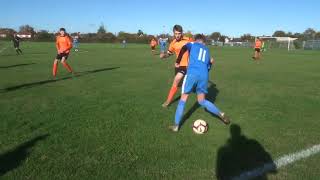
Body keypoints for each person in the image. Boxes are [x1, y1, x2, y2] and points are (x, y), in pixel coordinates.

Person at [169, 34, 230, 132]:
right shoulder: (207, 50)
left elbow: (184, 47)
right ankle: (221, 114)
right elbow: (209, 65)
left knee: (183, 99)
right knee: (201, 101)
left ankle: (176, 125)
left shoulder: (192, 43)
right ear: (204, 42)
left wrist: (178, 60)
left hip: (192, 73)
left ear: (196, 40)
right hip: (204, 76)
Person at [160, 25, 193, 107]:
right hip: (179, 66)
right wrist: (164, 56)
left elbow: (197, 48)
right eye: (176, 33)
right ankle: (185, 85)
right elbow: (169, 53)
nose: (177, 35)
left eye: (179, 33)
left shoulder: (188, 40)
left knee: (177, 79)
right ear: (173, 33)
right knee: (178, 84)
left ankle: (168, 101)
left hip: (188, 66)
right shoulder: (173, 43)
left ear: (182, 33)